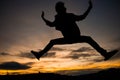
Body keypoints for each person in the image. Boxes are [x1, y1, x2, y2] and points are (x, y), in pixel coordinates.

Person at [31, 0, 116, 60]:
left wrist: (43, 18)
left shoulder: (62, 17)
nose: (65, 8)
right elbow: (82, 17)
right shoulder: (64, 17)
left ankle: (39, 54)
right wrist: (43, 18)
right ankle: (105, 54)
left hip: (71, 38)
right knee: (88, 39)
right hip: (72, 37)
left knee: (87, 39)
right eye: (63, 7)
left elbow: (50, 24)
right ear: (60, 9)